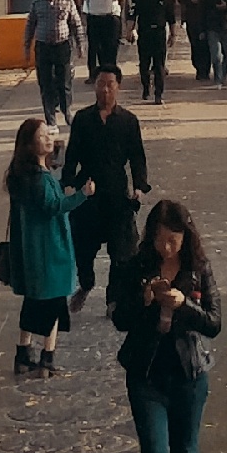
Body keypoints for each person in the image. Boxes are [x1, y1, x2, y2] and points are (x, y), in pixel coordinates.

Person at [109, 199, 222, 453]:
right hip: (146, 373)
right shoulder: (138, 266)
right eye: (161, 240)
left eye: (173, 240)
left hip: (188, 374)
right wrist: (143, 300)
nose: (167, 248)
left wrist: (184, 304)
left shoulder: (198, 269)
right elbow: (120, 318)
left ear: (186, 236)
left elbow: (213, 322)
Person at [2, 118, 86, 377]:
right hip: (51, 253)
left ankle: (23, 353)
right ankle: (47, 359)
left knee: (31, 307)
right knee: (54, 308)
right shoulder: (40, 180)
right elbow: (55, 206)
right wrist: (83, 194)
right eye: (42, 136)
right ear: (30, 145)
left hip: (32, 253)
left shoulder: (21, 177)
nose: (48, 139)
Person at [62, 67, 151, 288]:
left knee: (122, 251)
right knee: (82, 245)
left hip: (117, 191)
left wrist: (139, 185)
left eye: (110, 84)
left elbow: (137, 156)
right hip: (87, 190)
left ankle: (114, 298)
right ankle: (86, 281)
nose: (105, 89)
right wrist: (68, 184)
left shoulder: (128, 121)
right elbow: (72, 155)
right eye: (100, 83)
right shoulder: (82, 119)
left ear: (118, 87)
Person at [31, 0, 82, 121]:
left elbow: (76, 23)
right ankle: (50, 116)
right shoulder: (37, 2)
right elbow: (30, 24)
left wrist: (80, 45)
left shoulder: (66, 1)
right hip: (43, 46)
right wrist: (27, 46)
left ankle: (67, 110)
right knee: (45, 83)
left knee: (64, 81)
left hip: (62, 46)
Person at [176, 0, 227, 86]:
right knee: (195, 44)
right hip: (192, 18)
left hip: (206, 17)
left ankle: (206, 69)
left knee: (207, 44)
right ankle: (199, 69)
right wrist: (191, 0)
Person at [129, 0, 175, 105]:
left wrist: (173, 34)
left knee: (159, 65)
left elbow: (171, 17)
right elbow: (132, 15)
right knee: (144, 64)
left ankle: (158, 94)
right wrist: (130, 30)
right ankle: (145, 87)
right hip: (145, 32)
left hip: (160, 33)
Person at [81, 0, 129, 78]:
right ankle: (93, 73)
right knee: (94, 47)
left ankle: (110, 71)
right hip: (94, 16)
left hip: (109, 16)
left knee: (110, 45)